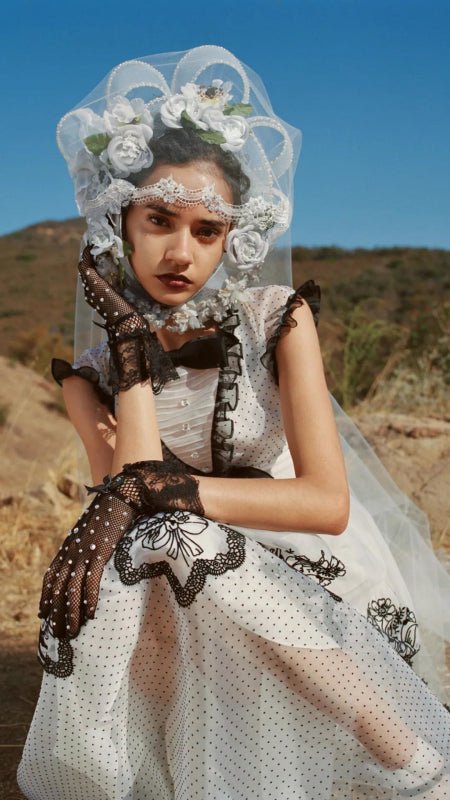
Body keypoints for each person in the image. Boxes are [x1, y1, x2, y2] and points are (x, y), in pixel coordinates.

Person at [17, 46, 450, 800]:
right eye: (159, 220)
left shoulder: (276, 319)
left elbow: (327, 503)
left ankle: (409, 757)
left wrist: (170, 494)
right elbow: (131, 502)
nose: (181, 252)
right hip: (177, 579)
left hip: (305, 556)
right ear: (119, 222)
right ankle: (126, 774)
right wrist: (129, 348)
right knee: (155, 539)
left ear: (232, 238)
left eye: (207, 230)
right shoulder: (90, 374)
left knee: (172, 529)